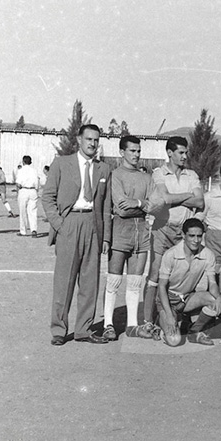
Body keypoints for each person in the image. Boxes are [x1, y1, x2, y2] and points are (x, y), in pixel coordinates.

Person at [41, 124, 112, 345]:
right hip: (69, 222)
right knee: (64, 281)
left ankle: (83, 329)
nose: (92, 143)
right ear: (79, 140)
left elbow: (107, 205)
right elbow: (47, 198)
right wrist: (60, 225)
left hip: (93, 224)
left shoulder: (104, 169)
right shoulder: (62, 164)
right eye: (88, 139)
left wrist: (106, 237)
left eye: (96, 140)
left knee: (90, 282)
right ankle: (59, 330)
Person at [140, 136, 204, 339]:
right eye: (181, 153)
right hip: (162, 229)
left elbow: (200, 201)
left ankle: (174, 317)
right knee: (155, 276)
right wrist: (188, 196)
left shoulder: (191, 174)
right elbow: (164, 198)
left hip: (182, 233)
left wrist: (176, 199)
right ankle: (147, 322)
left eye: (186, 153)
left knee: (182, 276)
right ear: (169, 153)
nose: (185, 156)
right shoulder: (159, 173)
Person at [101, 136, 156, 341]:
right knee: (114, 280)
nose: (136, 155)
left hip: (142, 232)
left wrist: (138, 203)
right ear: (122, 152)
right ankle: (108, 324)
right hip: (120, 231)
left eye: (138, 151)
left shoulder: (147, 178)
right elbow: (121, 208)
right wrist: (142, 204)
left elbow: (154, 205)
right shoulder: (115, 175)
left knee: (135, 281)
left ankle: (132, 325)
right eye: (132, 151)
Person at [157, 218, 221, 346]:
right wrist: (169, 315)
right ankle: (161, 320)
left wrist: (219, 297)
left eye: (199, 236)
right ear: (183, 235)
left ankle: (194, 330)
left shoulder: (208, 254)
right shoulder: (171, 254)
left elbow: (212, 283)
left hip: (187, 298)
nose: (196, 240)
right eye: (191, 236)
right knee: (175, 341)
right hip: (169, 300)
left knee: (214, 301)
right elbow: (162, 286)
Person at [14, 155, 42, 237]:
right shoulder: (34, 170)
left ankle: (23, 230)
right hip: (33, 190)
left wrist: (18, 191)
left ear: (23, 162)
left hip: (24, 190)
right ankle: (34, 229)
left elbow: (18, 183)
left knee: (23, 211)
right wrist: (36, 189)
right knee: (33, 211)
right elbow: (37, 181)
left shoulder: (21, 170)